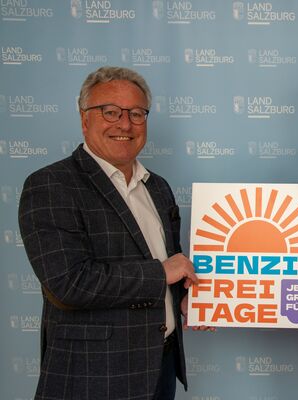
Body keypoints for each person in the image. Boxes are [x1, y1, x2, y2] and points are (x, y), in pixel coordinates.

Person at [18, 66, 201, 400]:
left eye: (136, 113)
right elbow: (69, 283)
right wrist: (161, 273)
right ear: (84, 118)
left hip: (160, 367)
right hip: (94, 374)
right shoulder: (51, 185)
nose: (125, 124)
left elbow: (169, 269)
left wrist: (189, 301)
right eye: (110, 112)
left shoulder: (158, 187)